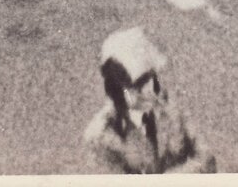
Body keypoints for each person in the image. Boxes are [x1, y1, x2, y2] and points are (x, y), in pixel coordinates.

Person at [82, 27, 217, 174]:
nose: (150, 91)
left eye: (150, 79)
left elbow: (206, 159)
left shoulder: (172, 113)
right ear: (116, 90)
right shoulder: (101, 136)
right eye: (138, 85)